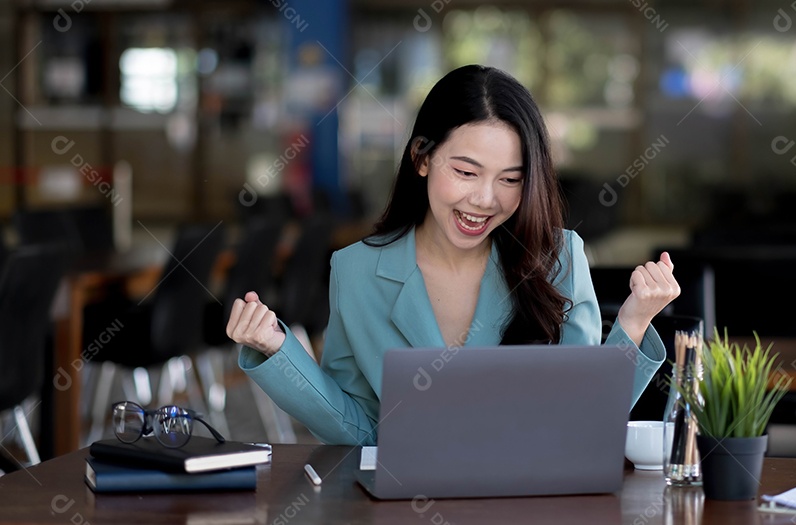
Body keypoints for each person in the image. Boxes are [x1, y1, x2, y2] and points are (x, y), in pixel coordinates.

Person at [227, 65, 680, 446]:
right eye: (466, 171)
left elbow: (583, 423)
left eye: (510, 179)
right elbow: (359, 430)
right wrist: (278, 350)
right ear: (421, 158)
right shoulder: (357, 270)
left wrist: (635, 322)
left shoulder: (557, 257)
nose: (485, 199)